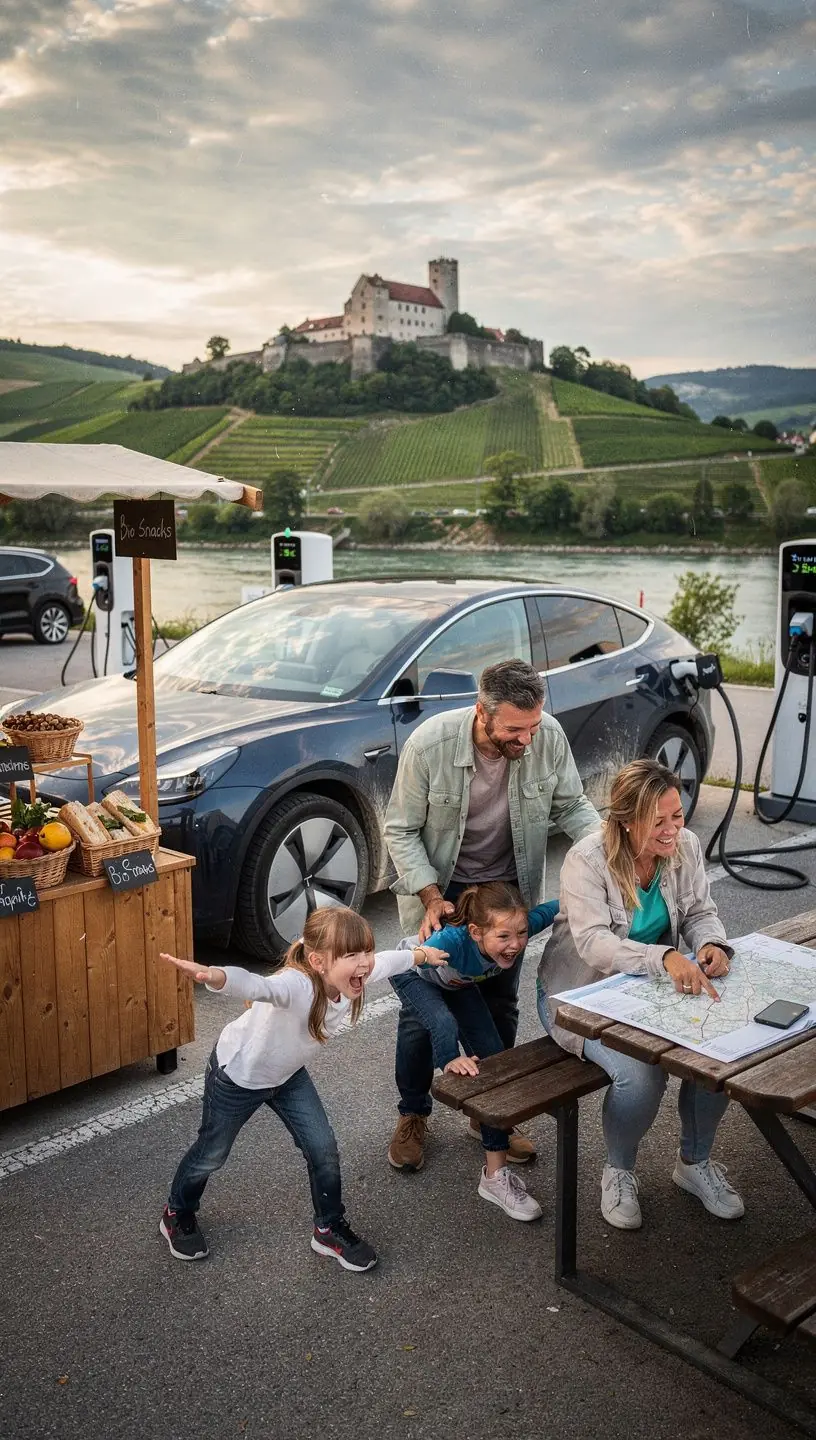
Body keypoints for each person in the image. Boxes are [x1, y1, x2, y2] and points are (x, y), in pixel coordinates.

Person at [384, 657, 600, 1171]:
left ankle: (494, 1111)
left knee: (500, 1006)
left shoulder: (545, 734)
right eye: (514, 730)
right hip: (442, 889)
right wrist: (432, 896)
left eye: (533, 726)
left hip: (508, 891)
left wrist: (606, 854)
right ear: (482, 712)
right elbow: (399, 829)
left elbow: (572, 806)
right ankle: (413, 1113)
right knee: (423, 1015)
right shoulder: (429, 745)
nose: (527, 739)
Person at [158, 906, 448, 1270]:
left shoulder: (355, 973)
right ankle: (177, 1211)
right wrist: (216, 976)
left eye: (365, 952)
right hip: (239, 1077)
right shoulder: (297, 985)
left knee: (323, 1148)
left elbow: (389, 961)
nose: (364, 963)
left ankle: (328, 1228)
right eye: (351, 955)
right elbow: (259, 985)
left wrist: (422, 955)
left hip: (287, 1074)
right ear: (318, 961)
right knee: (212, 1153)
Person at [538, 758, 745, 1231]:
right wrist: (664, 958)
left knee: (719, 1055)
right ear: (627, 820)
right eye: (660, 821)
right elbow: (593, 943)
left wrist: (711, 943)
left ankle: (694, 1163)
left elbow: (699, 912)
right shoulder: (587, 859)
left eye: (678, 815)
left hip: (655, 990)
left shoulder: (686, 846)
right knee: (642, 1075)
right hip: (578, 997)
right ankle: (619, 1170)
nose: (674, 829)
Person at [389, 881, 560, 1221]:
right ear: (476, 932)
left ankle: (493, 1174)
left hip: (457, 983)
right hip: (414, 975)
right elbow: (406, 964)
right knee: (441, 1024)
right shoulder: (452, 941)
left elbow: (554, 907)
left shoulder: (514, 928)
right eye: (504, 938)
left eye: (521, 934)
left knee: (495, 1059)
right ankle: (444, 1068)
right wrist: (450, 1055)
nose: (515, 946)